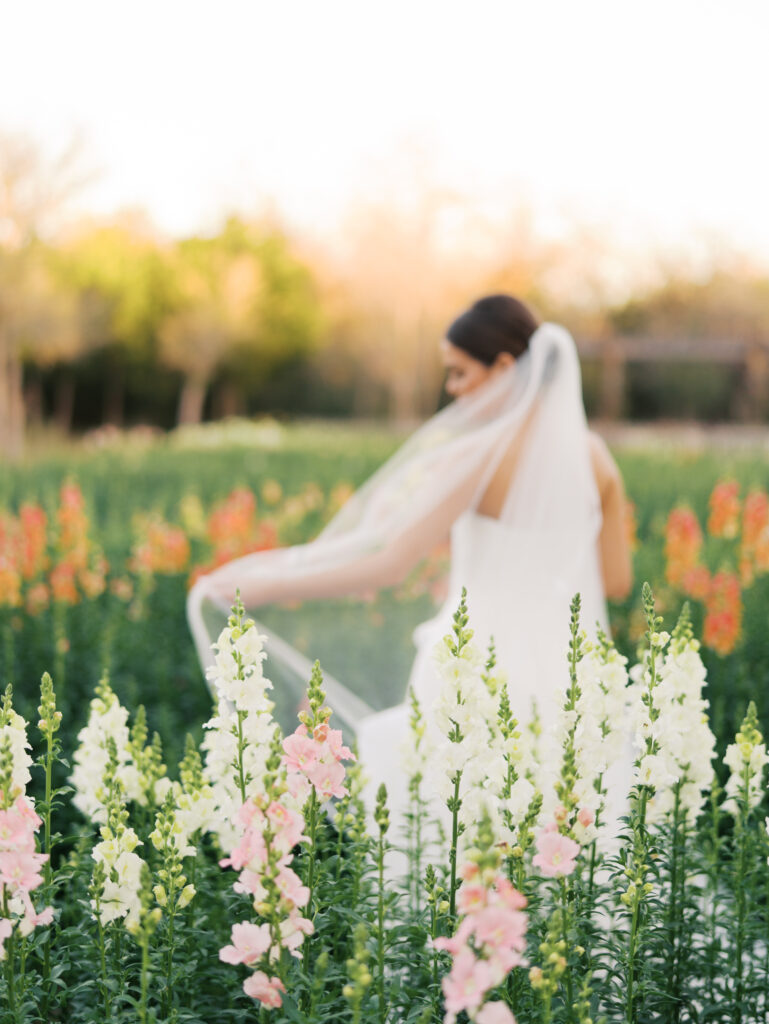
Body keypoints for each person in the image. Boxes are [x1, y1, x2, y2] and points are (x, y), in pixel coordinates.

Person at [187, 295, 632, 834]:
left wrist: (268, 586)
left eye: (459, 372)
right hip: (571, 666)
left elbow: (390, 564)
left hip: (473, 663)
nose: (452, 389)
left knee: (454, 825)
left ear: (504, 368)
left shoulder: (478, 456)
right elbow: (616, 582)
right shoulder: (598, 460)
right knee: (567, 822)